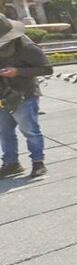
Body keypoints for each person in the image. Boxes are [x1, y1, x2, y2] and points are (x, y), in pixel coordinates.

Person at [0, 16, 52, 179]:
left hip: (24, 95)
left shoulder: (26, 46)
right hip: (3, 96)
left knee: (30, 131)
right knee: (5, 132)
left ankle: (38, 163)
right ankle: (11, 163)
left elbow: (46, 69)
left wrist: (18, 71)